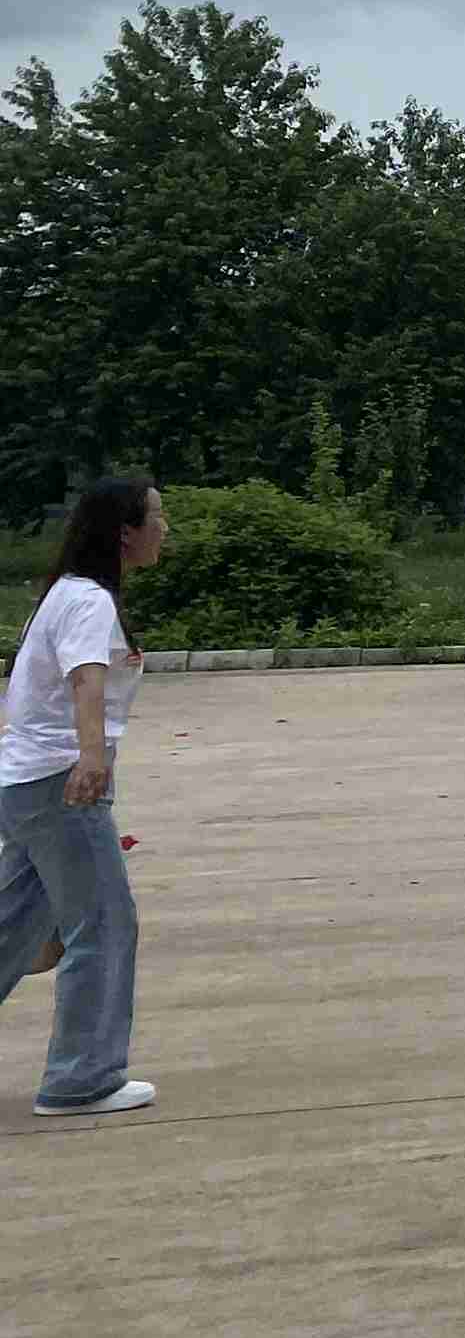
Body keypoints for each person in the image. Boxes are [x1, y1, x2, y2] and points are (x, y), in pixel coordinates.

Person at [2, 477, 167, 1117]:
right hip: (60, 784)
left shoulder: (65, 593)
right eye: (156, 517)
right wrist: (91, 758)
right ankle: (82, 1080)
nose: (164, 529)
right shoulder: (89, 600)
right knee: (102, 924)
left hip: (28, 782)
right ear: (125, 531)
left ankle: (82, 1073)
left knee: (12, 926)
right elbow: (84, 680)